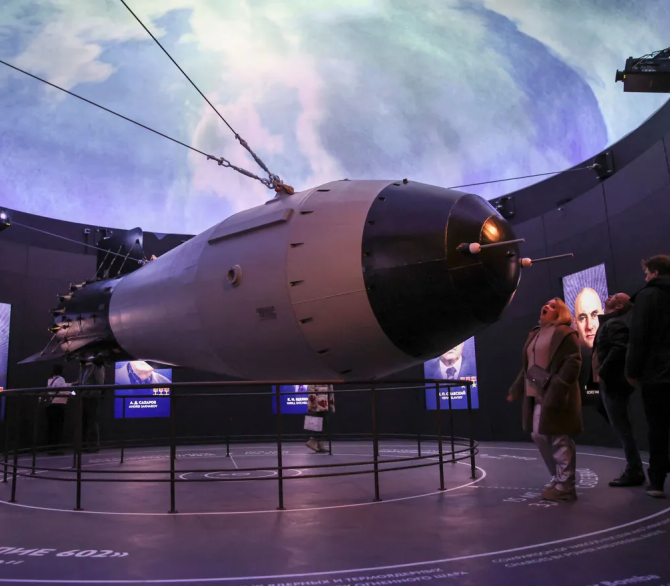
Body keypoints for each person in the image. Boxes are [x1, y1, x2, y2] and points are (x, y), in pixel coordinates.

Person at [507, 298, 582, 502]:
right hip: (536, 395)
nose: (546, 306)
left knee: (558, 438)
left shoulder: (566, 333)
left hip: (556, 396)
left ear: (560, 313)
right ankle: (559, 478)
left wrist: (557, 387)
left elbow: (573, 363)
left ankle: (566, 484)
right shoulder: (535, 333)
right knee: (539, 435)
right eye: (546, 304)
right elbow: (527, 367)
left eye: (552, 306)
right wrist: (517, 388)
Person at [625, 255, 670, 498]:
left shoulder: (647, 296)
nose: (645, 278)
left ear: (653, 273)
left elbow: (639, 338)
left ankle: (657, 482)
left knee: (658, 429)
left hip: (658, 377)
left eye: (646, 273)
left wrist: (632, 372)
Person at [593, 293, 644, 487]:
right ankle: (634, 468)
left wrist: (604, 374)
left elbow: (619, 349)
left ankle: (634, 471)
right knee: (620, 426)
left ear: (619, 306)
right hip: (610, 384)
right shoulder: (611, 323)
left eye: (615, 297)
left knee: (623, 429)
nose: (609, 297)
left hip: (612, 384)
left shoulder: (614, 324)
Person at [44, 364, 74, 456]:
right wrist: (73, 392)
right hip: (59, 405)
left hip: (50, 405)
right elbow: (64, 390)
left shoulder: (50, 379)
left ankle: (50, 448)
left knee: (51, 428)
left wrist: (71, 384)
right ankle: (55, 449)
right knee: (58, 428)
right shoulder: (60, 379)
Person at [79, 357, 105, 453]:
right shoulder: (84, 367)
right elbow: (82, 382)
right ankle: (84, 444)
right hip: (84, 397)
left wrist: (92, 394)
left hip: (92, 398)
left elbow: (99, 383)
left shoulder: (97, 366)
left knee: (92, 422)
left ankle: (93, 445)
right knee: (84, 422)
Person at [305, 384, 335, 454]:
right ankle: (312, 441)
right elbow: (311, 388)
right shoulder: (315, 375)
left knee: (323, 420)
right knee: (321, 421)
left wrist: (331, 403)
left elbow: (330, 390)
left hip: (325, 399)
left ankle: (320, 444)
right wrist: (313, 402)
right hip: (318, 400)